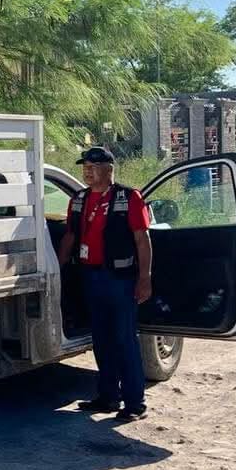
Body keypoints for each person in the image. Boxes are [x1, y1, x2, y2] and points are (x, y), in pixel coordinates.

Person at [56, 147, 154, 422]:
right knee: (101, 339)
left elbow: (142, 240)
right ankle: (108, 396)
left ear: (109, 169)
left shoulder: (128, 197)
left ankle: (135, 403)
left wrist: (144, 278)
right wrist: (58, 269)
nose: (87, 171)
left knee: (125, 339)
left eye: (93, 166)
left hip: (121, 279)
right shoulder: (78, 199)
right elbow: (70, 237)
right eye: (85, 166)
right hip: (91, 277)